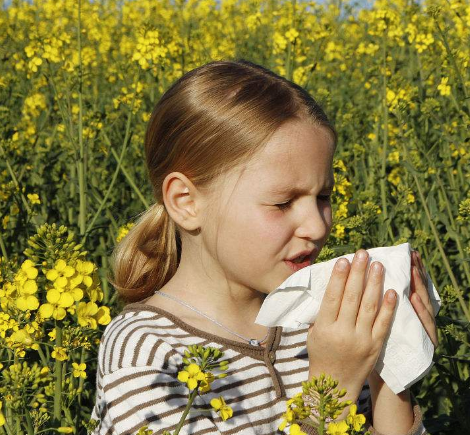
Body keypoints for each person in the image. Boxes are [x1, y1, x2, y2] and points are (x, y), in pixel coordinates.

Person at [89, 59, 438, 435]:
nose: (318, 225)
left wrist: (387, 369)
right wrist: (331, 386)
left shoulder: (315, 326)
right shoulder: (145, 353)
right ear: (187, 202)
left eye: (323, 195)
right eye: (283, 203)